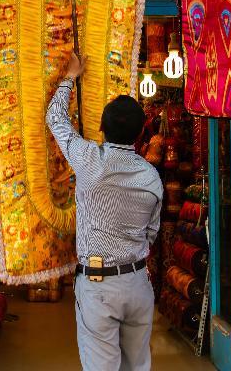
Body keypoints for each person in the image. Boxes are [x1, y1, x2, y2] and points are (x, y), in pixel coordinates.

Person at [45, 52, 163, 371]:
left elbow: (55, 118)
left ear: (101, 127)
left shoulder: (88, 159)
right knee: (138, 365)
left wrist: (70, 76)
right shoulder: (152, 179)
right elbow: (152, 233)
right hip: (137, 284)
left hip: (99, 287)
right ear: (141, 135)